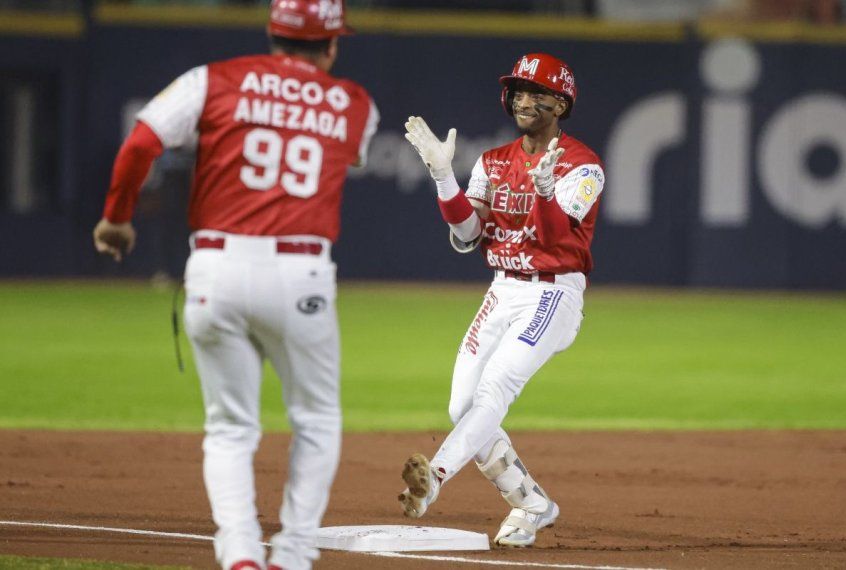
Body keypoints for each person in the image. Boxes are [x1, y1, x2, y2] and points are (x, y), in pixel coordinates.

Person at [92, 1, 379, 568]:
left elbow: (141, 144)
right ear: (331, 45)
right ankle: (293, 553)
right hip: (302, 273)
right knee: (316, 419)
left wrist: (116, 216)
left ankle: (240, 552)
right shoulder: (354, 103)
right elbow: (351, 154)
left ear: (273, 32)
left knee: (229, 427)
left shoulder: (213, 79)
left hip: (215, 268)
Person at [399, 52, 603, 547]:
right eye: (517, 90)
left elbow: (556, 242)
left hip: (552, 294)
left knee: (493, 392)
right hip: (501, 289)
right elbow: (468, 235)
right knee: (461, 404)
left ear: (561, 101)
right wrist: (443, 177)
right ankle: (531, 503)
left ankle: (435, 476)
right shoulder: (494, 162)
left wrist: (548, 192)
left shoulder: (585, 166)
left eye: (536, 92)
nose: (523, 99)